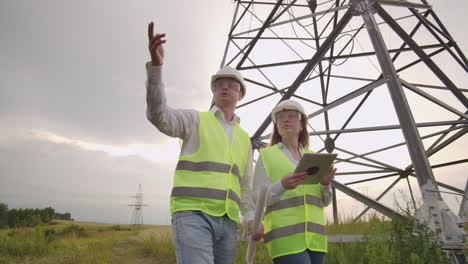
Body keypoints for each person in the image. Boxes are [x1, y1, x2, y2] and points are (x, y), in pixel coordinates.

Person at [146, 21, 254, 264]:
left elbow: (245, 185)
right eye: (219, 84)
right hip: (192, 214)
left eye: (231, 85)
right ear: (213, 91)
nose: (225, 87)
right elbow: (158, 115)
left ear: (240, 94)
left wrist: (249, 216)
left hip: (228, 222)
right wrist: (156, 68)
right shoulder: (195, 120)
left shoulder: (245, 139)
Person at [248, 99, 336, 264]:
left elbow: (325, 201)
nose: (286, 119)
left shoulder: (314, 158)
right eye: (280, 117)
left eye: (292, 116)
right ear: (276, 126)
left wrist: (325, 184)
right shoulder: (266, 156)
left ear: (302, 125)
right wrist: (282, 186)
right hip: (284, 239)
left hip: (316, 240)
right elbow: (256, 198)